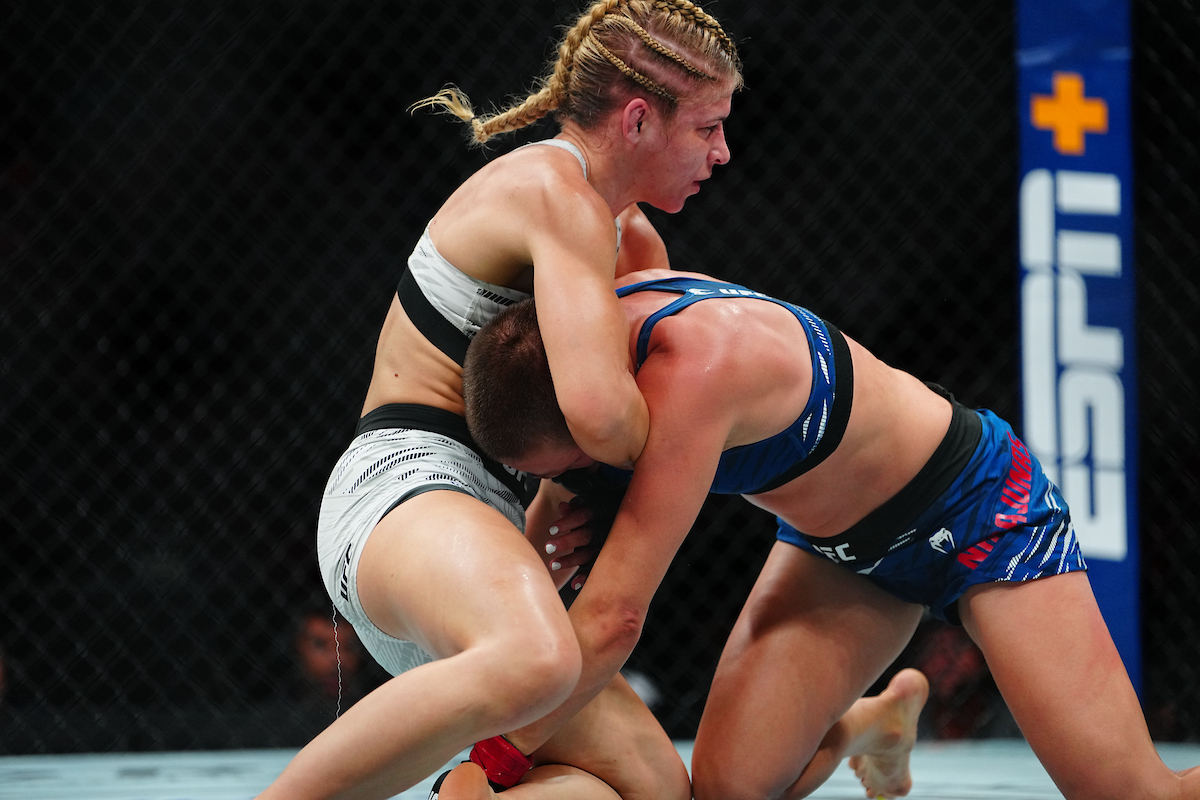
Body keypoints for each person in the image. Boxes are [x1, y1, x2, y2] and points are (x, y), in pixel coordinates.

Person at [459, 268, 1200, 800]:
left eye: (577, 462)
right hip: (839, 554)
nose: (581, 478)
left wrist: (490, 758)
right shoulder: (594, 346)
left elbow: (616, 618)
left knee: (1131, 794)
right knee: (727, 791)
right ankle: (869, 725)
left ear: (586, 409)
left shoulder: (694, 372)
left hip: (979, 511)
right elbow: (552, 533)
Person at [255, 3, 741, 799]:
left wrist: (562, 496)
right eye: (708, 127)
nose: (722, 152)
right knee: (538, 657)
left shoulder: (633, 240)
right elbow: (604, 419)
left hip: (497, 521)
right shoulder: (551, 193)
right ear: (638, 120)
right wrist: (715, 412)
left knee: (654, 788)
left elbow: (587, 440)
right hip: (407, 492)